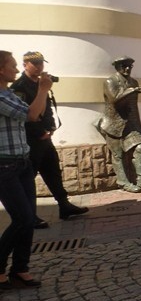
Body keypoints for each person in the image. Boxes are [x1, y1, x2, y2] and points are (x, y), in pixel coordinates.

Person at [10, 51, 88, 226]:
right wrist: (39, 132)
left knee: (53, 171)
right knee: (28, 178)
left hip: (45, 138)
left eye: (41, 63)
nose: (39, 66)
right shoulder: (20, 86)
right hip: (30, 140)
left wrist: (51, 128)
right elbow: (26, 115)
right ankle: (29, 215)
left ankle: (64, 205)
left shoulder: (41, 83)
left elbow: (47, 109)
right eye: (35, 63)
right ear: (25, 65)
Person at [0, 50, 52, 289]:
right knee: (22, 218)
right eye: (12, 65)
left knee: (28, 219)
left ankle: (20, 269)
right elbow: (31, 114)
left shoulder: (9, 93)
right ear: (1, 70)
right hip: (5, 166)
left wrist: (42, 92)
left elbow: (37, 113)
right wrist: (43, 89)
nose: (16, 69)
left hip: (22, 162)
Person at [95, 56, 141, 192]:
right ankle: (123, 183)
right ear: (117, 67)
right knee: (118, 155)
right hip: (113, 123)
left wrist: (139, 127)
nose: (128, 69)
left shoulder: (134, 82)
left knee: (140, 147)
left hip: (130, 124)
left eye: (130, 66)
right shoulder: (110, 81)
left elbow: (133, 107)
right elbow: (114, 99)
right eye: (124, 66)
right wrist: (131, 91)